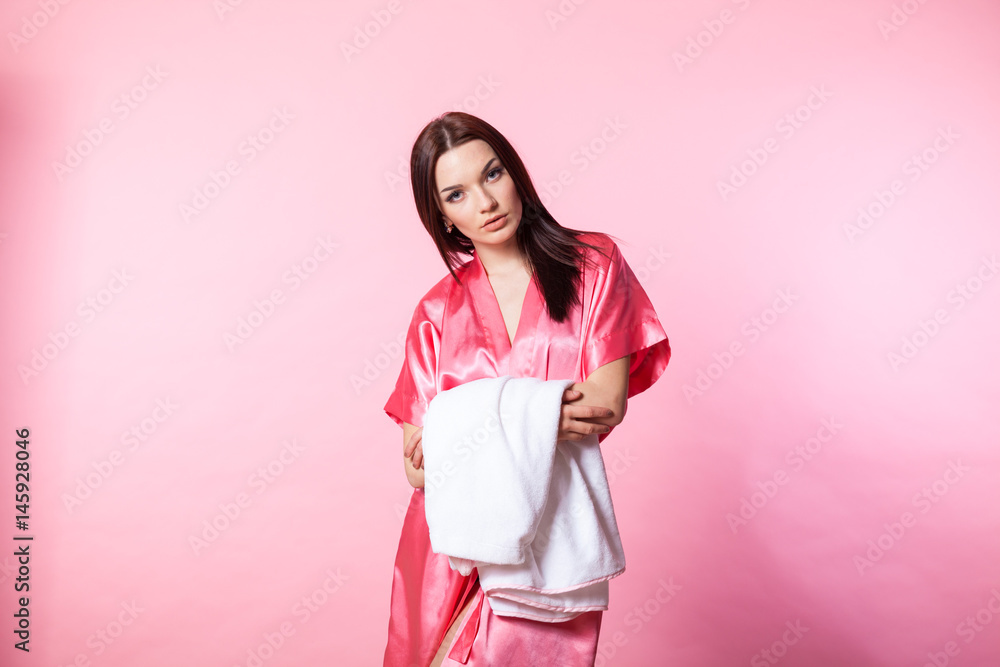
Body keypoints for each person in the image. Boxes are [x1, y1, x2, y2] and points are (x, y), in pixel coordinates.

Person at [382, 111, 671, 667]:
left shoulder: (592, 265)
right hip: (452, 550)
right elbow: (417, 471)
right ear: (441, 215)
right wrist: (540, 415)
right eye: (457, 194)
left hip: (552, 537)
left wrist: (459, 428)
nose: (486, 203)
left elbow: (603, 405)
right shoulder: (435, 312)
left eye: (492, 174)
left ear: (515, 173)